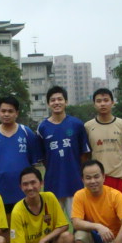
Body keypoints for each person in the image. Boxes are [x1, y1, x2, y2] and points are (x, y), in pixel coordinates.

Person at [37, 86, 90, 217]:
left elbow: (84, 153)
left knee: (78, 223)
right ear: (48, 104)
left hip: (75, 183)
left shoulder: (77, 124)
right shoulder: (42, 128)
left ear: (66, 102)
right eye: (53, 100)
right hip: (53, 184)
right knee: (54, 224)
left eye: (60, 99)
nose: (56, 102)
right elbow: (43, 157)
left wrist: (78, 172)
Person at [0, 96, 40, 217]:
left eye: (10, 111)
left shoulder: (26, 132)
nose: (6, 114)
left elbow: (33, 164)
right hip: (2, 191)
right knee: (5, 226)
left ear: (17, 113)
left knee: (26, 223)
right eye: (3, 111)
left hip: (25, 191)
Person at [84, 88, 122, 198]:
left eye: (106, 100)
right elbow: (87, 155)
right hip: (97, 180)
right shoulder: (87, 127)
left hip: (119, 178)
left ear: (112, 102)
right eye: (99, 101)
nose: (102, 104)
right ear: (94, 104)